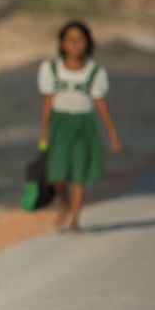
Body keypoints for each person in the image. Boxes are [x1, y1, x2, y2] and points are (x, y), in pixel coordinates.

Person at [38, 21, 122, 234]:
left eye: (80, 40)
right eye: (70, 40)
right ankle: (65, 204)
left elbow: (100, 102)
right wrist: (44, 131)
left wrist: (112, 133)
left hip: (84, 125)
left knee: (79, 175)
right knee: (58, 175)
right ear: (62, 43)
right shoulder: (51, 68)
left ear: (88, 43)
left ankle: (75, 221)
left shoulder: (95, 72)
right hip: (60, 125)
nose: (75, 45)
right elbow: (48, 100)